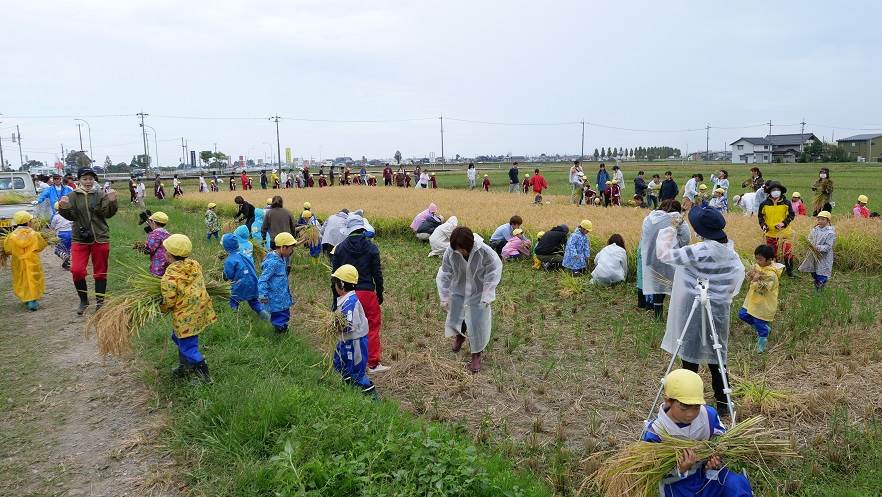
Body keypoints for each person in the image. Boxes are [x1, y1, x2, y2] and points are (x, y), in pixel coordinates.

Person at [657, 205, 745, 414]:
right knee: (718, 354)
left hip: (693, 310)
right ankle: (723, 402)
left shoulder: (698, 251)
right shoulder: (730, 253)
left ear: (701, 231)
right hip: (718, 312)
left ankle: (688, 400)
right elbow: (734, 280)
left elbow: (664, 254)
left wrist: (670, 229)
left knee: (689, 352)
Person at [643, 369, 753, 496]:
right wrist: (681, 469)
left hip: (707, 473)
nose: (690, 414)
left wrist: (715, 458)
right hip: (679, 482)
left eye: (696, 408)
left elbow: (721, 438)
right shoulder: (656, 432)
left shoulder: (708, 415)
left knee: (735, 485)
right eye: (684, 408)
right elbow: (654, 471)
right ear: (668, 400)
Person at [436, 226, 502, 373]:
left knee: (478, 322)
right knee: (457, 316)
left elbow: (494, 270)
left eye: (462, 249)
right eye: (457, 249)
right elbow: (445, 273)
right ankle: (460, 336)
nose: (460, 252)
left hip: (478, 291)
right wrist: (445, 296)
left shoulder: (484, 251)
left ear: (469, 244)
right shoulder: (451, 252)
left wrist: (488, 293)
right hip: (458, 289)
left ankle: (476, 354)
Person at [332, 213, 388, 373]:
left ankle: (349, 362)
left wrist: (335, 299)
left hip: (346, 293)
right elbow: (377, 273)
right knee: (372, 325)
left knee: (347, 328)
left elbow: (335, 275)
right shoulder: (371, 247)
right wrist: (380, 292)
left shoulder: (340, 248)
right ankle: (372, 363)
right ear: (362, 228)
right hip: (367, 292)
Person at [58, 167, 118, 315]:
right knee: (77, 270)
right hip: (80, 238)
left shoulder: (100, 194)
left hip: (100, 237)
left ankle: (100, 303)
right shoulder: (72, 196)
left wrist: (112, 202)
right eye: (85, 179)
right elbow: (71, 216)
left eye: (91, 179)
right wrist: (63, 208)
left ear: (94, 180)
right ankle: (83, 300)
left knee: (100, 272)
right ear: (79, 180)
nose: (88, 182)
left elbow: (108, 214)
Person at [159, 234, 215, 380]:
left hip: (185, 316)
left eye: (166, 251)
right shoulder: (194, 265)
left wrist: (161, 307)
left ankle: (204, 375)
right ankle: (186, 366)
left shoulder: (170, 276)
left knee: (188, 346)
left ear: (170, 256)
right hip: (200, 310)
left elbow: (169, 301)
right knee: (178, 337)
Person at [330, 264, 377, 397]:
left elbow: (348, 324)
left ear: (342, 285)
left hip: (355, 343)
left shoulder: (351, 302)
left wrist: (334, 325)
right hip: (345, 341)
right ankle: (349, 391)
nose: (334, 286)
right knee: (339, 365)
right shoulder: (345, 300)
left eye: (335, 283)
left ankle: (372, 397)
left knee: (356, 371)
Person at [641, 200, 691, 320]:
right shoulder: (677, 219)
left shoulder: (649, 218)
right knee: (676, 285)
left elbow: (644, 236)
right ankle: (676, 316)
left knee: (658, 286)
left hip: (651, 258)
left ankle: (658, 316)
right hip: (670, 257)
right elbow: (685, 238)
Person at [739, 244, 782, 353]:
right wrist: (749, 275)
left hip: (763, 304)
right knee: (743, 315)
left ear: (769, 259)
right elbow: (749, 278)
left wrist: (755, 280)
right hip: (752, 300)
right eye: (756, 258)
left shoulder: (772, 275)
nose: (757, 261)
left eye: (760, 259)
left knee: (758, 321)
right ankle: (764, 328)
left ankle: (762, 342)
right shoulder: (758, 267)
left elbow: (763, 290)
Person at [3, 211, 48, 311]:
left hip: (18, 262)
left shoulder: (11, 236)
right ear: (28, 222)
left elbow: (8, 250)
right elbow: (41, 246)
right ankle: (33, 301)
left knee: (22, 279)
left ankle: (27, 298)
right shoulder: (35, 234)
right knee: (33, 279)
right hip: (32, 261)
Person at [259, 233, 297, 333]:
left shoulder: (282, 258)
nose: (292, 251)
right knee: (280, 317)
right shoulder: (273, 262)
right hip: (276, 299)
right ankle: (279, 333)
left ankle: (281, 329)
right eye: (291, 248)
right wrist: (263, 297)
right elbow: (262, 280)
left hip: (282, 297)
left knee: (284, 315)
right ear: (283, 247)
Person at [221, 233, 265, 316]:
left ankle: (233, 316)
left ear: (226, 248)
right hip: (253, 281)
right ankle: (264, 314)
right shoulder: (245, 255)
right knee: (254, 302)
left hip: (240, 284)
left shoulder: (229, 260)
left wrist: (224, 275)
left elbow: (229, 275)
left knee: (234, 300)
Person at [758, 181, 795, 277]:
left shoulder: (786, 203)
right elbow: (760, 217)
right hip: (770, 234)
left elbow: (791, 215)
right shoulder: (764, 204)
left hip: (785, 233)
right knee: (773, 254)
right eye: (773, 190)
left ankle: (790, 271)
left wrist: (784, 223)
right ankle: (776, 272)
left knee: (788, 252)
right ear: (769, 191)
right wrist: (763, 225)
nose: (775, 192)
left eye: (777, 190)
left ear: (781, 191)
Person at [799, 211, 836, 292]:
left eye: (823, 219)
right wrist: (810, 244)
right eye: (819, 219)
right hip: (814, 255)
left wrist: (817, 247)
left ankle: (820, 289)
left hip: (824, 257)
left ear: (828, 221)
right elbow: (810, 238)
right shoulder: (815, 229)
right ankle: (817, 284)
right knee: (814, 271)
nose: (820, 221)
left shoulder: (830, 233)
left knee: (822, 272)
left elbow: (828, 247)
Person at [144, 212, 171, 277]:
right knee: (165, 276)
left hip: (158, 262)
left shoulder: (155, 234)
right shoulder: (167, 234)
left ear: (153, 222)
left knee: (156, 276)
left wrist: (144, 248)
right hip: (168, 260)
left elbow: (150, 249)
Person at [49, 203, 73, 269]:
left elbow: (52, 226)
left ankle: (65, 258)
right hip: (71, 233)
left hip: (61, 234)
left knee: (58, 250)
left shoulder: (55, 216)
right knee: (68, 249)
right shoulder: (69, 214)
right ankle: (67, 264)